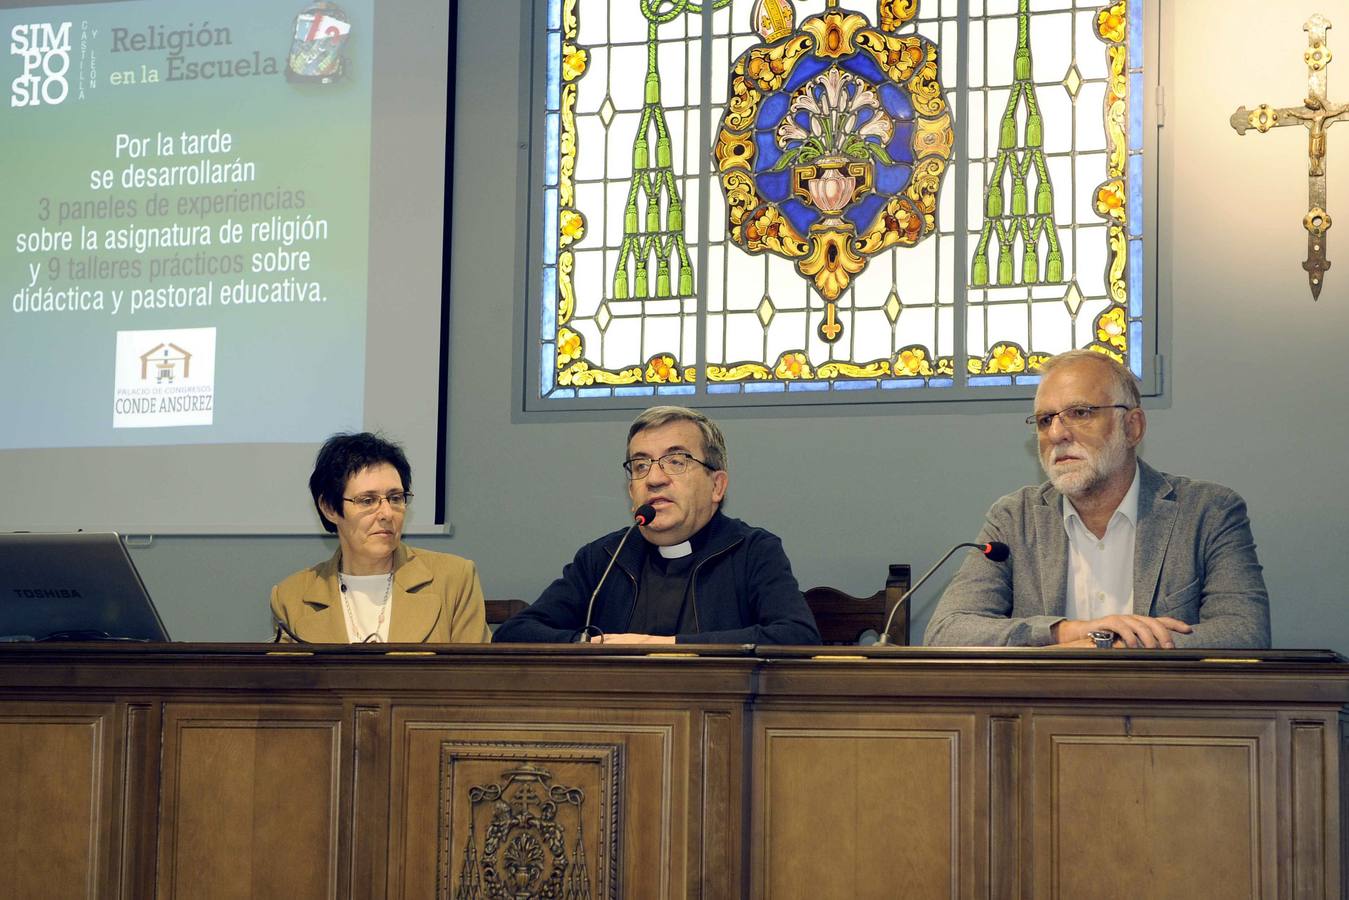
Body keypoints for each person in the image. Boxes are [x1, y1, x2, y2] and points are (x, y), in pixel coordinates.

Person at [924, 350, 1270, 649]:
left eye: (1080, 413)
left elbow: (1245, 632)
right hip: (1045, 705)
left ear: (1132, 427)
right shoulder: (1014, 518)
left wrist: (1108, 646)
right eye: (1045, 420)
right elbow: (946, 631)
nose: (1057, 433)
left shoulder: (1208, 512)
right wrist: (1066, 632)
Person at [494, 406, 820, 645]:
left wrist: (667, 647)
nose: (654, 479)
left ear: (717, 486)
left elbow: (796, 636)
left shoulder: (751, 551)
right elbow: (514, 634)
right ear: (631, 489)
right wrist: (592, 645)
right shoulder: (604, 558)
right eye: (640, 465)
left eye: (676, 461)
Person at [271, 432, 490, 643]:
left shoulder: (454, 579)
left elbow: (475, 669)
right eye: (367, 500)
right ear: (329, 508)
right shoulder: (291, 597)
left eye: (395, 498)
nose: (387, 513)